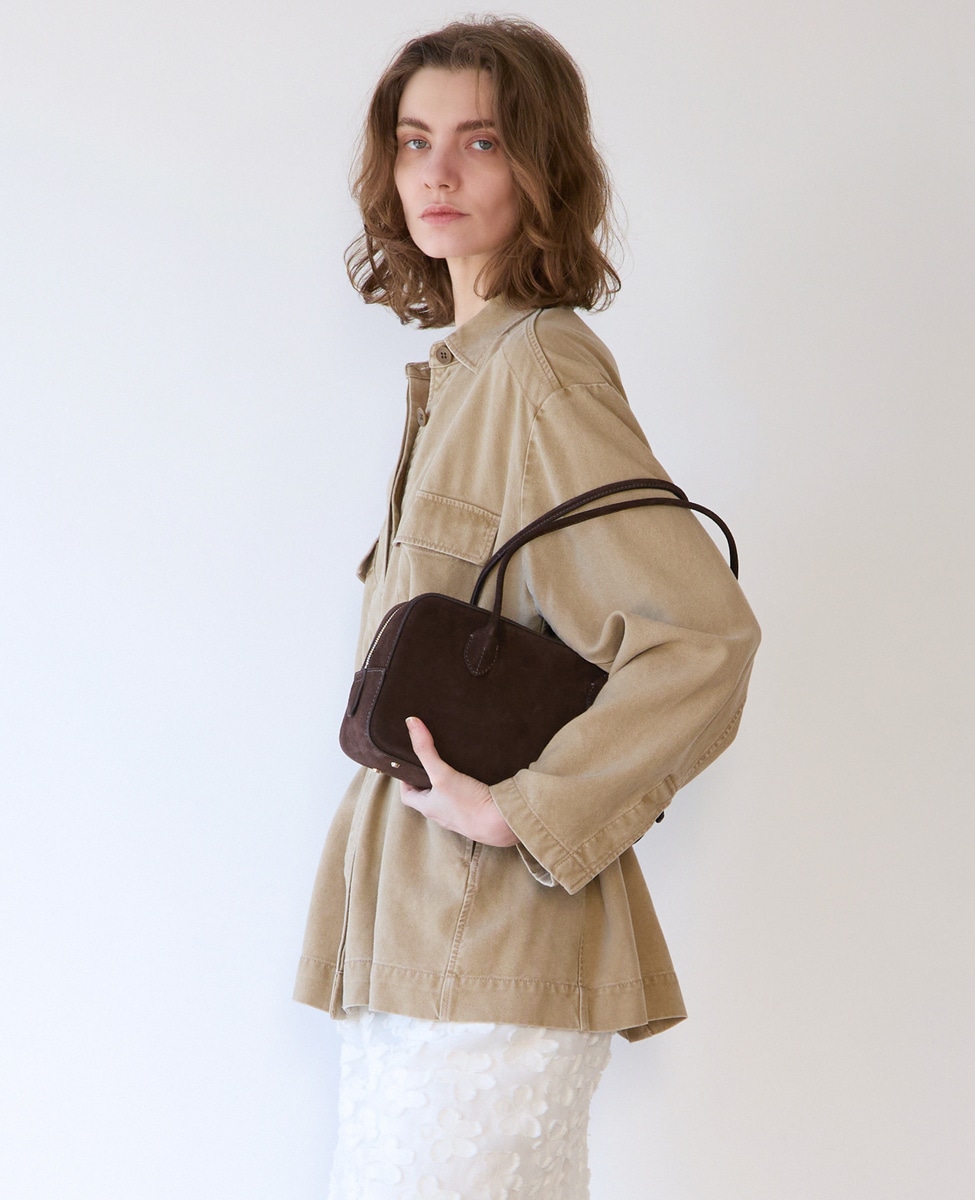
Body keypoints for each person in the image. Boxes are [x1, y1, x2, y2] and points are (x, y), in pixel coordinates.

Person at [296, 17, 761, 1198]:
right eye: (415, 141)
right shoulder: (463, 378)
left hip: (481, 958)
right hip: (422, 954)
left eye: (482, 141)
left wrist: (524, 813)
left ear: (540, 165)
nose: (437, 173)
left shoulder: (542, 372)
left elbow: (700, 640)